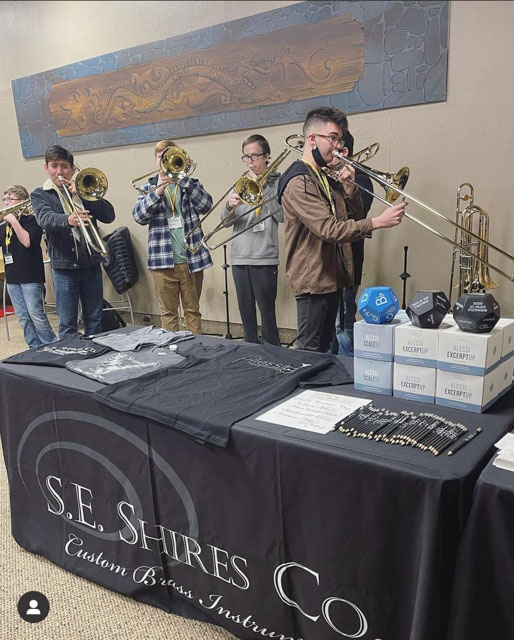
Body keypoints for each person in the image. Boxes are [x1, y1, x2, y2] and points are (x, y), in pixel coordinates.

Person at [277, 106, 406, 353]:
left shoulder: (324, 177)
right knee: (310, 351)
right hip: (312, 281)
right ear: (312, 139)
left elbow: (354, 216)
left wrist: (349, 189)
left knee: (325, 348)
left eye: (339, 139)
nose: (337, 146)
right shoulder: (299, 181)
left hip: (331, 277)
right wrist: (378, 222)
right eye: (333, 138)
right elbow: (329, 229)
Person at [31, 145, 115, 338]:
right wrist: (67, 220)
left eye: (64, 166)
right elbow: (44, 219)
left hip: (91, 264)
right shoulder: (40, 194)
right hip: (64, 267)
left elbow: (109, 215)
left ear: (73, 169)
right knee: (68, 322)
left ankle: (95, 357)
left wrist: (87, 197)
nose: (59, 171)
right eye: (54, 166)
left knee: (94, 318)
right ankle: (68, 358)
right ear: (46, 168)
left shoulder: (84, 190)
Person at [132, 139, 213, 334]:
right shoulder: (147, 188)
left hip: (191, 260)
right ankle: (171, 353)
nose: (165, 161)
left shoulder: (191, 184)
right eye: (161, 157)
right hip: (162, 263)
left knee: (193, 311)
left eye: (169, 156)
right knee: (168, 313)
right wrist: (158, 191)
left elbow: (206, 206)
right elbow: (139, 216)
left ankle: (196, 352)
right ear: (155, 161)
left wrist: (183, 180)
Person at [222, 134, 282, 345]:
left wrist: (266, 193)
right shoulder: (241, 183)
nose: (250, 162)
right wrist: (230, 206)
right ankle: (250, 356)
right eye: (246, 157)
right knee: (246, 317)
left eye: (254, 156)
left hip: (264, 257)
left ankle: (274, 358)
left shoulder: (276, 184)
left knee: (268, 316)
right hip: (240, 257)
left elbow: (282, 216)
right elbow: (226, 222)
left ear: (267, 157)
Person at [330, 131, 374, 356]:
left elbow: (355, 218)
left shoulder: (362, 179)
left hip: (349, 261)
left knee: (344, 325)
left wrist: (347, 186)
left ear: (344, 151)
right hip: (328, 262)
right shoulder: (324, 176)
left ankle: (350, 372)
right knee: (331, 326)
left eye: (331, 144)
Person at [0, 185, 56, 348]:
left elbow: (27, 241)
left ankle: (50, 345)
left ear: (22, 202)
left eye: (10, 199)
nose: (6, 203)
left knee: (36, 314)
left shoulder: (32, 220)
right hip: (12, 277)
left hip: (30, 275)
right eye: (5, 199)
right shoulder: (4, 225)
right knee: (23, 316)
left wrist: (13, 221)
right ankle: (34, 347)